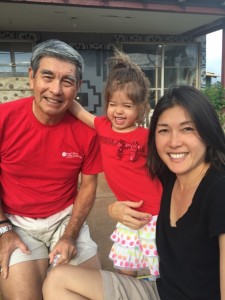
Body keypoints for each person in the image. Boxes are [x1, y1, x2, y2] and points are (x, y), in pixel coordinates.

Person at [42, 85, 225, 300]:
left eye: (187, 129)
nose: (174, 142)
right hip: (161, 291)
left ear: (208, 130)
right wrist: (114, 209)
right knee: (58, 280)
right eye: (164, 130)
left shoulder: (218, 190)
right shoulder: (167, 176)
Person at [0, 39, 102, 300]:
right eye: (47, 77)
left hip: (65, 219)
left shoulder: (87, 132)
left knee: (88, 294)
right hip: (15, 220)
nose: (56, 90)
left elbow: (88, 185)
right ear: (32, 77)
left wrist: (70, 235)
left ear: (77, 87)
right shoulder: (4, 118)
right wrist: (3, 229)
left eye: (67, 81)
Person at [69, 50, 162, 277]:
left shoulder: (146, 136)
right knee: (124, 267)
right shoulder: (103, 126)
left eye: (127, 106)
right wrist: (63, 95)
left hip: (156, 213)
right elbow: (80, 111)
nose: (118, 111)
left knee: (160, 267)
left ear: (140, 109)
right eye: (113, 104)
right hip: (127, 213)